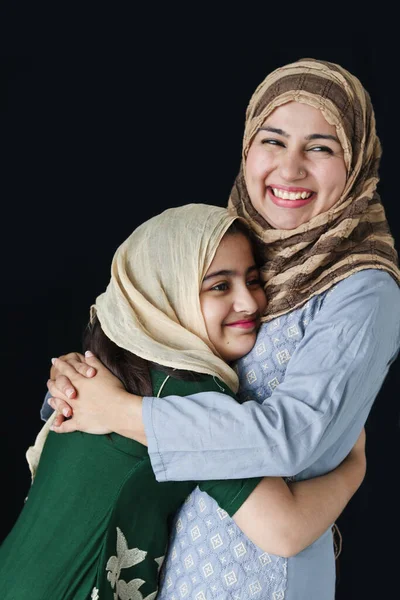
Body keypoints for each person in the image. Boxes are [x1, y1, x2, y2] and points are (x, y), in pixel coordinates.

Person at [45, 58, 400, 599]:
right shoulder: (234, 246)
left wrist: (118, 409)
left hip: (264, 578)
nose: (290, 168)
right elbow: (151, 356)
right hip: (177, 566)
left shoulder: (364, 291)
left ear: (356, 162)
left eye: (322, 147)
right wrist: (73, 386)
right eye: (273, 140)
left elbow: (291, 439)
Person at [0, 204, 366, 600]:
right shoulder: (183, 388)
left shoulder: (109, 370)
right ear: (166, 291)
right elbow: (285, 530)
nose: (250, 303)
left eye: (254, 280)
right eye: (220, 286)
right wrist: (355, 464)